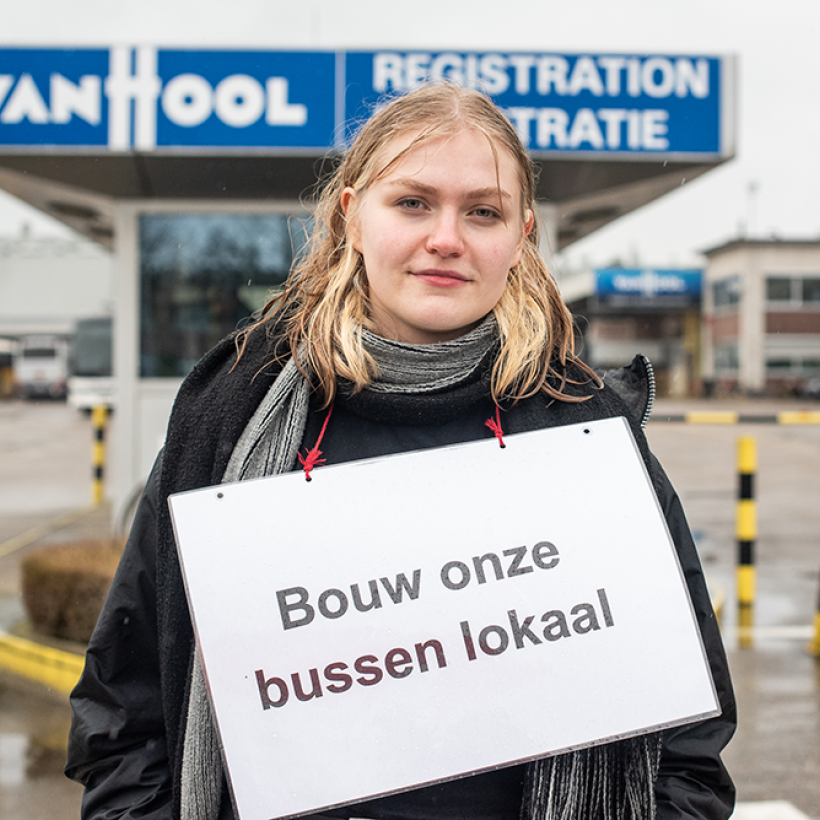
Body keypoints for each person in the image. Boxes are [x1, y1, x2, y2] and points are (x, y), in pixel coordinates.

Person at [65, 83, 735, 820]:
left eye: (483, 211)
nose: (446, 237)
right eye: (412, 202)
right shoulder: (231, 421)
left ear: (522, 234)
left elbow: (688, 746)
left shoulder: (593, 441)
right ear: (352, 216)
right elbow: (124, 716)